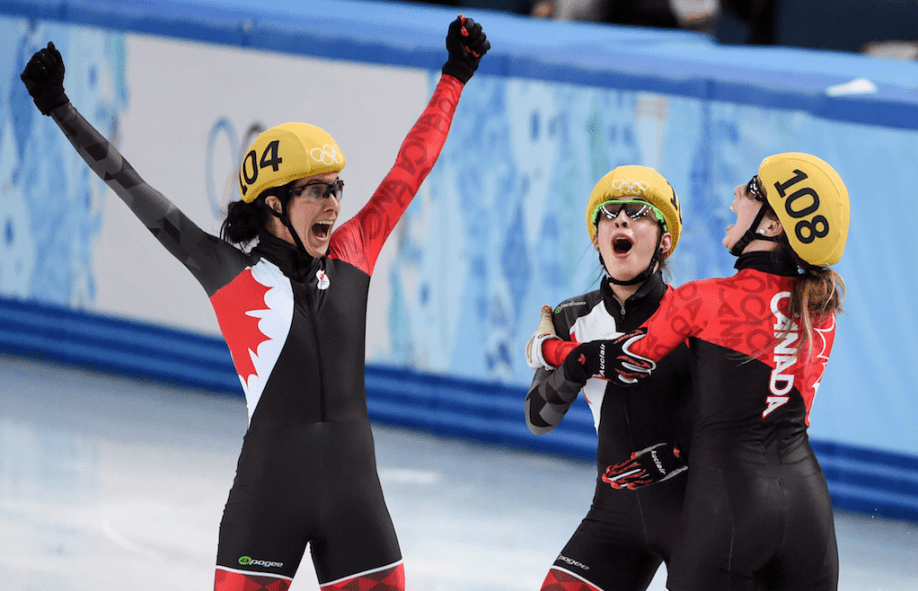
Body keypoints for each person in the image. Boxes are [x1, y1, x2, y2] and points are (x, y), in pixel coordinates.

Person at [20, 16, 489, 591]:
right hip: (270, 498)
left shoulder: (354, 252)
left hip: (355, 498)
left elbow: (410, 168)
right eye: (317, 191)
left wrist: (455, 75)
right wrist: (60, 108)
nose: (335, 204)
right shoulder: (230, 273)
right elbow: (133, 188)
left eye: (338, 189)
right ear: (273, 203)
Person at [537, 152, 848, 590]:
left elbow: (624, 357)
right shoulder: (820, 308)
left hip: (726, 509)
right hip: (807, 509)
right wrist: (677, 452)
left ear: (773, 226)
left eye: (752, 190)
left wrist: (548, 349)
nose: (737, 194)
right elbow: (762, 409)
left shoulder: (701, 300)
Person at [524, 165, 694, 591]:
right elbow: (537, 419)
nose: (621, 219)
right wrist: (580, 362)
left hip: (698, 518)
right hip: (615, 518)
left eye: (639, 212)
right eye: (609, 212)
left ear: (664, 242)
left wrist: (676, 454)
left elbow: (734, 420)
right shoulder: (571, 318)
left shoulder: (693, 315)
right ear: (597, 239)